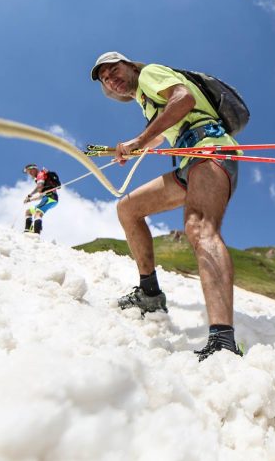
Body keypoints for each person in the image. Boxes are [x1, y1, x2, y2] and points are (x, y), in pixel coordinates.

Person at [91, 51, 242, 361]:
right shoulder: (145, 100)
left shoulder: (150, 74)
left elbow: (183, 99)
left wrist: (140, 139)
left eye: (113, 69)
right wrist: (135, 146)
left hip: (209, 149)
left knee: (200, 228)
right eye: (105, 78)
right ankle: (149, 293)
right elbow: (160, 134)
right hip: (190, 160)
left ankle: (223, 339)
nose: (110, 78)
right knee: (128, 209)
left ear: (130, 65)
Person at [23, 164, 60, 235]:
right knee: (28, 212)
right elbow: (41, 196)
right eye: (28, 172)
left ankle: (36, 234)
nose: (30, 174)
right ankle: (27, 231)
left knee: (38, 213)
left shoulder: (40, 175)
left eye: (30, 171)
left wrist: (30, 195)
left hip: (50, 198)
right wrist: (30, 200)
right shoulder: (42, 178)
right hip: (48, 198)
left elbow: (39, 187)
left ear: (34, 169)